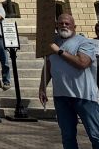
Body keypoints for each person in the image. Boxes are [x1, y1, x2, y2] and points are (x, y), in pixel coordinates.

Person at [39, 13, 99, 149]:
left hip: (84, 97)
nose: (64, 26)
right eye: (61, 23)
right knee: (67, 136)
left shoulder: (84, 42)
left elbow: (83, 63)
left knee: (96, 135)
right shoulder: (52, 42)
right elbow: (48, 65)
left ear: (74, 26)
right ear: (56, 26)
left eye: (67, 23)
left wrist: (59, 51)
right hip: (61, 97)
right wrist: (42, 87)